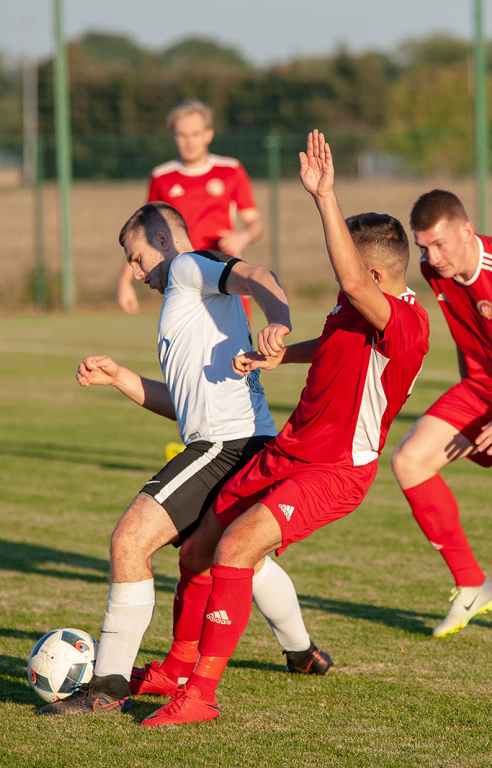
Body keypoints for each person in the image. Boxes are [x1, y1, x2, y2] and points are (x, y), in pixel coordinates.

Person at [141, 130, 430, 727]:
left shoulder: (406, 323)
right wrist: (280, 355)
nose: (340, 273)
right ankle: (176, 664)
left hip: (335, 471)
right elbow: (335, 341)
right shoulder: (354, 309)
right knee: (195, 549)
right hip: (289, 452)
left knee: (236, 547)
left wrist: (324, 197)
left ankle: (202, 695)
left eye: (350, 262)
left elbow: (352, 284)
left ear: (375, 273)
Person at [37, 201, 332, 717]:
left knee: (130, 540)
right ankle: (302, 653)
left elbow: (259, 274)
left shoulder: (187, 267)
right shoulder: (183, 301)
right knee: (235, 558)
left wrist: (280, 323)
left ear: (164, 241)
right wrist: (122, 379)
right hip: (237, 441)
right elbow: (184, 405)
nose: (134, 271)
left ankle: (106, 687)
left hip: (227, 446)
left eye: (135, 257)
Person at [391, 189, 492, 638]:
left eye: (440, 243)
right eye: (423, 246)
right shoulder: (437, 270)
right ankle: (472, 585)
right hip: (479, 389)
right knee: (410, 460)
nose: (431, 257)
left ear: (467, 231)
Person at [116, 99, 262, 322]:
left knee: (237, 349)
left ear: (208, 135)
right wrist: (124, 282)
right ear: (174, 136)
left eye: (195, 134)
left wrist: (243, 236)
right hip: (183, 277)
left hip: (225, 272)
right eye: (182, 135)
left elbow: (255, 225)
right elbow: (140, 235)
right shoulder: (162, 177)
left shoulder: (230, 170)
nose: (189, 141)